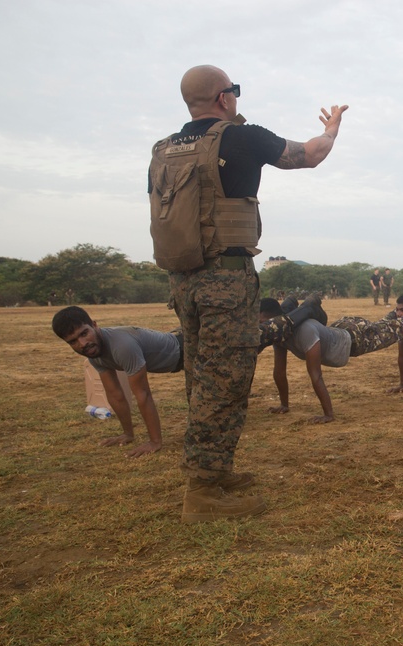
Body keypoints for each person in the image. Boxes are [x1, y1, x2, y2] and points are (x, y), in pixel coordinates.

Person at [151, 64, 347, 522]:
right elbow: (311, 155)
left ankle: (214, 473)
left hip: (183, 280)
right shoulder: (241, 136)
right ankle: (203, 493)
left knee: (201, 374)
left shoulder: (164, 149)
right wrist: (333, 128)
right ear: (224, 98)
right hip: (226, 277)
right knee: (226, 379)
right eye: (234, 91)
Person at [259, 297, 403, 422]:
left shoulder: (305, 331)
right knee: (386, 324)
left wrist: (328, 414)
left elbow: (316, 375)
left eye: (260, 321)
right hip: (340, 329)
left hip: (357, 337)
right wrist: (284, 405)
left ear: (273, 320)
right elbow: (279, 372)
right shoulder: (280, 335)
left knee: (401, 326)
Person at [52, 306, 182, 458]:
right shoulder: (94, 352)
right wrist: (127, 434)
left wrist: (155, 442)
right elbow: (115, 394)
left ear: (94, 325)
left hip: (188, 350)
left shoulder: (122, 346)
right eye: (73, 341)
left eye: (84, 333)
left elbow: (143, 395)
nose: (82, 344)